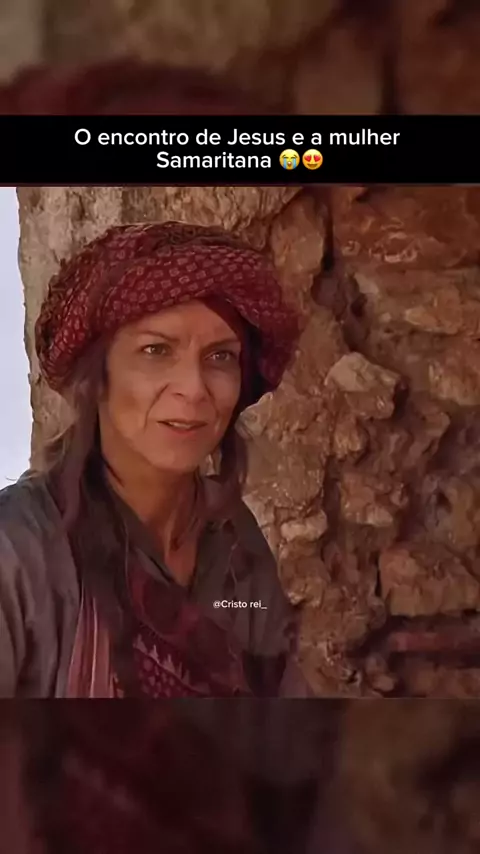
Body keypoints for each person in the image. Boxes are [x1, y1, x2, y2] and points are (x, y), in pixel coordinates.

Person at [0, 220, 311, 698]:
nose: (193, 388)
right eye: (155, 350)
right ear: (96, 378)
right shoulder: (18, 553)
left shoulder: (231, 542)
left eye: (220, 356)